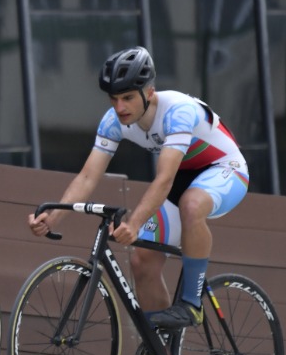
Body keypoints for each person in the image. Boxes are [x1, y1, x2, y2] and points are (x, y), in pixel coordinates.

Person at [26, 46, 250, 329]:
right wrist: (54, 217)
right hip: (182, 180)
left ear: (150, 92)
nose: (120, 108)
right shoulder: (113, 121)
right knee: (142, 262)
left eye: (128, 98)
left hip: (224, 169)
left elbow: (164, 180)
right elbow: (87, 177)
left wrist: (135, 222)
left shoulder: (178, 112)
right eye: (114, 99)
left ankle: (191, 305)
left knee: (191, 205)